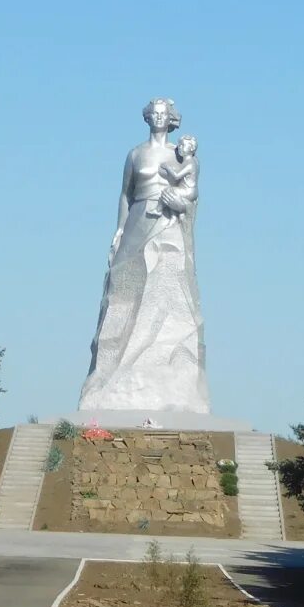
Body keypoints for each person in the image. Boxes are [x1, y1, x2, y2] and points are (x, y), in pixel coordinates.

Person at [78, 99, 210, 413]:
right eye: (155, 113)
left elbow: (192, 192)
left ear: (172, 119)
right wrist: (119, 229)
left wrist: (181, 204)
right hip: (138, 216)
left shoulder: (181, 155)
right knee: (122, 287)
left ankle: (168, 372)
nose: (160, 118)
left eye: (165, 114)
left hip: (167, 221)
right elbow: (125, 193)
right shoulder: (135, 154)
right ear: (148, 118)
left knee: (171, 289)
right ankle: (108, 377)